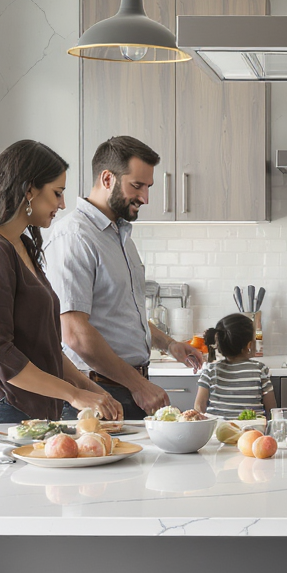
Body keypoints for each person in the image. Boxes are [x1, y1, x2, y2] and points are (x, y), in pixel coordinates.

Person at [0, 140, 120, 428]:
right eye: (57, 193)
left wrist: (90, 389)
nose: (62, 204)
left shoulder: (18, 245)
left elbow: (43, 349)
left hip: (18, 408)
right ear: (29, 190)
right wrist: (73, 395)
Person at [45, 135, 204, 422]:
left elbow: (122, 313)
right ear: (107, 179)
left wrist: (169, 344)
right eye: (137, 186)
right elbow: (74, 333)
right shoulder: (74, 237)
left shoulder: (120, 236)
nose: (145, 198)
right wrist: (138, 384)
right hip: (99, 394)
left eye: (148, 187)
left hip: (126, 389)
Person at [194, 313, 277, 417]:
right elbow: (272, 410)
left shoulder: (210, 370)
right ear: (249, 345)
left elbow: (199, 407)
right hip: (252, 430)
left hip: (218, 430)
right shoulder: (260, 369)